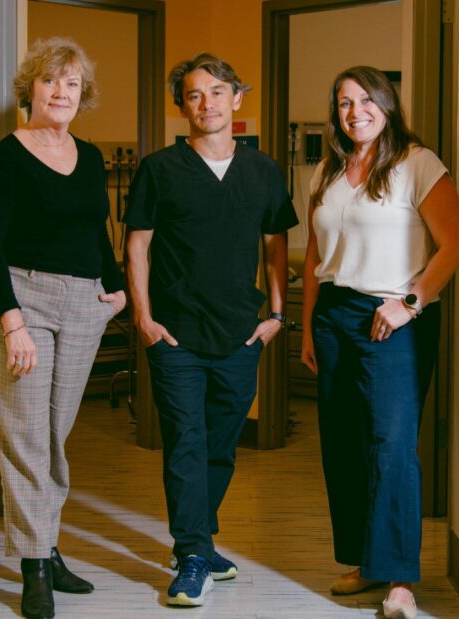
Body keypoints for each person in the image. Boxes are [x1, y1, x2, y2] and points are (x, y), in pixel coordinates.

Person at [124, 52, 298, 607]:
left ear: (237, 99)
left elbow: (276, 244)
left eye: (218, 92)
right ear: (182, 107)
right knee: (186, 441)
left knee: (222, 445)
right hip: (174, 335)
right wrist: (144, 318)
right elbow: (138, 245)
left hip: (240, 334)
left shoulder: (263, 170)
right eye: (195, 95)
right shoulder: (160, 168)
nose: (207, 103)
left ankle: (199, 540)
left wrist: (275, 314)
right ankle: (193, 553)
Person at [300, 66, 459, 619]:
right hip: (333, 316)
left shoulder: (417, 164)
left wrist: (409, 303)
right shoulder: (325, 171)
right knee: (344, 444)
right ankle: (365, 562)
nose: (355, 112)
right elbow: (312, 256)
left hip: (394, 316)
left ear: (387, 105)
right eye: (344, 103)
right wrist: (307, 324)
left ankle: (399, 578)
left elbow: (454, 245)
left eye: (366, 100)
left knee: (392, 445)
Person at [0, 37, 125, 619]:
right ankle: (34, 568)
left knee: (55, 434)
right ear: (30, 90)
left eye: (72, 84)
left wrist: (112, 291)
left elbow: (95, 230)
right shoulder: (7, 157)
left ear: (82, 96)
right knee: (26, 434)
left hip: (83, 301)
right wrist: (12, 324)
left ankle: (47, 545)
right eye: (51, 81)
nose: (62, 92)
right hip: (22, 298)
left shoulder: (89, 158)